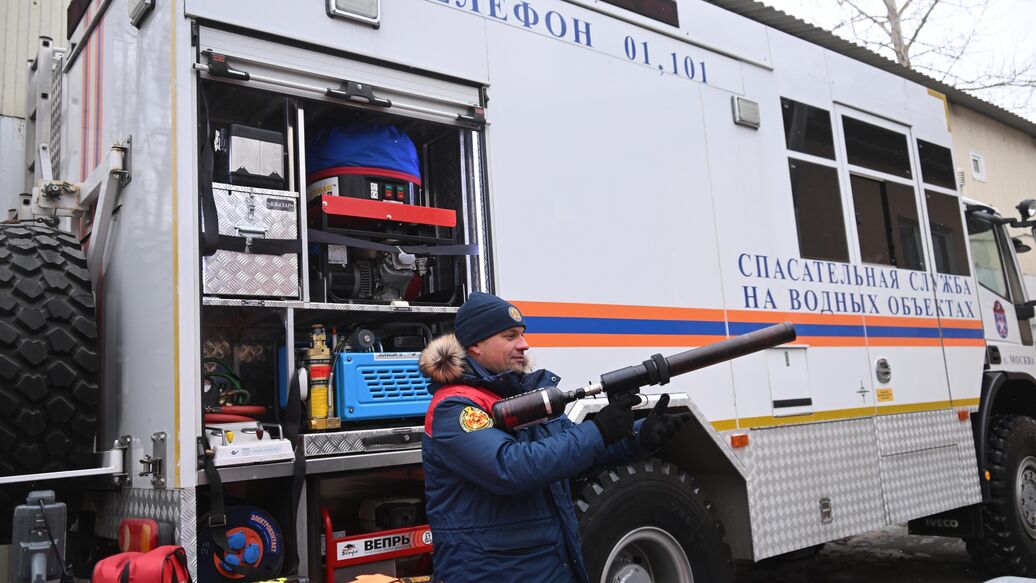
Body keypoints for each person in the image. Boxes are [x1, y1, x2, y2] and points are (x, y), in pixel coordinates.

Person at [420, 292, 692, 583]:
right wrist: (599, 430)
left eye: (522, 335)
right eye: (510, 336)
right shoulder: (454, 408)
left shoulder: (521, 399)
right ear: (475, 344)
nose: (524, 345)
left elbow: (574, 455)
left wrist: (638, 437)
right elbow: (510, 468)